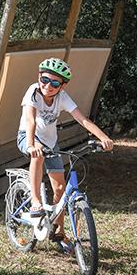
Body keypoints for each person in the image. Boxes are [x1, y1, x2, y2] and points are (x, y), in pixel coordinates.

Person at [17, 57, 113, 252]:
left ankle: (58, 232)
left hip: (51, 142)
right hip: (28, 137)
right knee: (37, 155)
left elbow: (82, 119)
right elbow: (30, 120)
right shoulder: (33, 92)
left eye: (55, 83)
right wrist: (31, 144)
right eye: (45, 79)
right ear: (39, 77)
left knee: (60, 188)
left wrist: (104, 137)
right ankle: (36, 201)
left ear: (62, 86)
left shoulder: (62, 97)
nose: (48, 86)